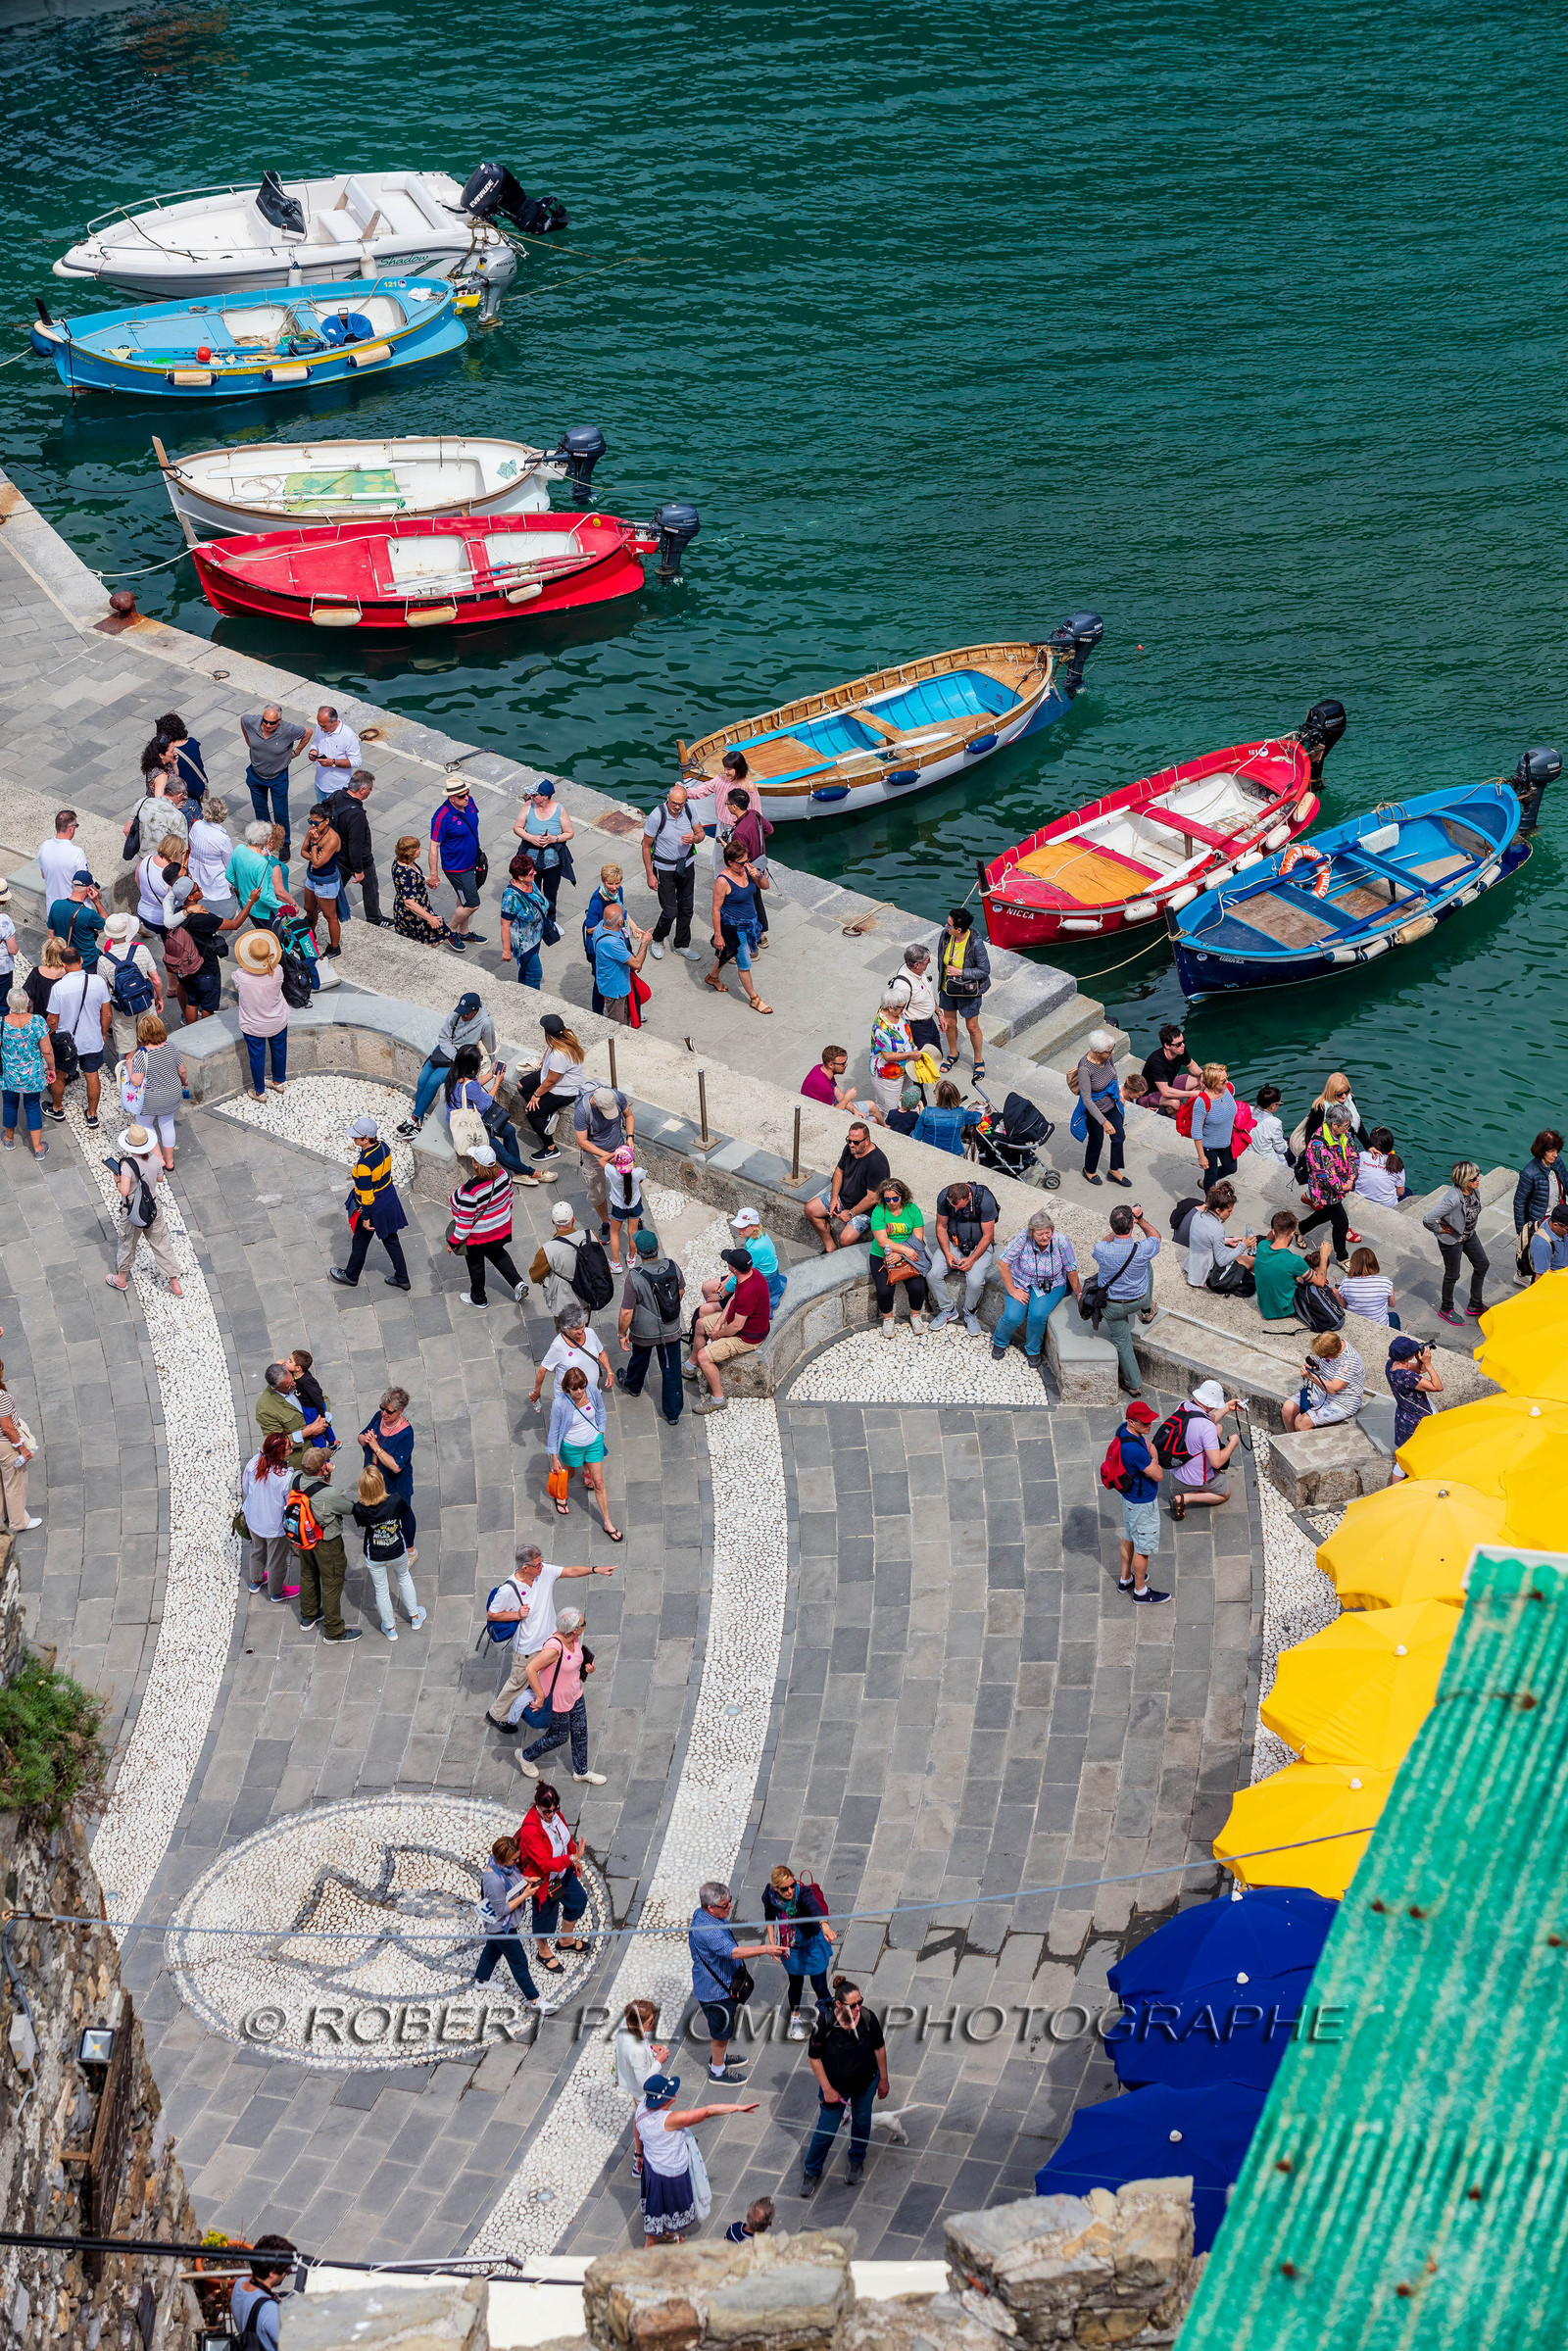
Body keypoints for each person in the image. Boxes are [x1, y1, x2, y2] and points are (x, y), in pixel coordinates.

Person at [484, 1544, 614, 1731]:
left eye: (541, 1562)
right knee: (517, 1682)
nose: (542, 1567)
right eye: (538, 1564)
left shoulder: (543, 1573)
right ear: (525, 1567)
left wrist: (595, 1570)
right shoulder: (508, 1589)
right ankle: (496, 1714)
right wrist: (516, 1615)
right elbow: (492, 1615)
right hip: (527, 1648)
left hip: (549, 1641)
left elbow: (571, 1571)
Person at [634, 2073, 760, 2248]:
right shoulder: (671, 2120)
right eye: (671, 2093)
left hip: (652, 2168)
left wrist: (639, 2154)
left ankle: (663, 2235)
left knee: (658, 2212)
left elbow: (636, 2127)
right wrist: (737, 2108)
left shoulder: (642, 2107)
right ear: (665, 2100)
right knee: (653, 2230)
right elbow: (707, 2112)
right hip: (669, 2176)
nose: (675, 2094)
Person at [801, 1977, 890, 2196]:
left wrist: (884, 2078)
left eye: (860, 2002)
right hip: (835, 2087)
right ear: (839, 2005)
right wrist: (828, 2089)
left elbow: (879, 2047)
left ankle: (857, 2159)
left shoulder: (868, 2017)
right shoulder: (825, 2023)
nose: (859, 2008)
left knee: (861, 2122)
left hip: (865, 2082)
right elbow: (814, 2058)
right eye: (853, 2005)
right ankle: (811, 2171)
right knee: (825, 2131)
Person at [689, 1879, 775, 2083]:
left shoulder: (704, 1914)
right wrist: (765, 1949)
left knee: (724, 2028)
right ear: (710, 1907)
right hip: (716, 1993)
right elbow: (734, 1953)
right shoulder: (708, 1932)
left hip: (722, 1984)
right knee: (720, 2033)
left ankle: (722, 2058)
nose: (730, 1907)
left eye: (730, 1902)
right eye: (725, 1905)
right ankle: (717, 2070)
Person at [518, 1606, 605, 1784]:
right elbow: (531, 1669)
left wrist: (587, 1668)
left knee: (581, 1733)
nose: (584, 1625)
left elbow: (571, 1665)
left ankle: (581, 1771)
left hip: (576, 1694)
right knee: (559, 1737)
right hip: (558, 1702)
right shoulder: (553, 1649)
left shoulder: (574, 1639)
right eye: (583, 1623)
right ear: (574, 1629)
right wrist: (540, 1697)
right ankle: (525, 1756)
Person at [687, 1247, 772, 1413]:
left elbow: (736, 1326)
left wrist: (717, 1335)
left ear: (733, 1268)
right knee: (700, 1324)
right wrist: (718, 1323)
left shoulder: (748, 1291)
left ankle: (718, 1399)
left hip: (747, 1337)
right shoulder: (751, 1273)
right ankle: (691, 1365)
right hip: (739, 1324)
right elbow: (733, 1299)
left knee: (704, 1357)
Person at [518, 1780, 592, 1971]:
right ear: (537, 1806)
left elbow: (565, 1837)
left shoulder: (556, 1815)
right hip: (544, 1880)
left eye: (555, 1810)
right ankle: (543, 1952)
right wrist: (572, 1857)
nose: (551, 1815)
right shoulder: (531, 1829)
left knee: (578, 1901)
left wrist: (573, 1859)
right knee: (545, 1919)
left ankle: (565, 1940)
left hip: (562, 1872)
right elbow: (543, 1863)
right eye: (547, 1812)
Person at [993, 1208, 1080, 1368]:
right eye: (1040, 1234)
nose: (1045, 1237)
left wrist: (1079, 1293)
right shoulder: (1023, 1238)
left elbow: (1071, 1269)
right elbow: (1002, 1262)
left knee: (1037, 1316)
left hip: (1052, 1284)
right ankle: (1000, 1340)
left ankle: (1033, 1349)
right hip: (1021, 1281)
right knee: (1012, 1316)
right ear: (1032, 1233)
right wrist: (1012, 1290)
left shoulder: (1061, 1241)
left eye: (1047, 1232)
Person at [399, 992, 497, 1135]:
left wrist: (494, 1065)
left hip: (461, 1059)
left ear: (475, 1010)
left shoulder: (485, 1023)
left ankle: (414, 1118)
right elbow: (443, 1036)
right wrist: (452, 1054)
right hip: (445, 1051)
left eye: (466, 1013)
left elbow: (490, 1045)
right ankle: (418, 1120)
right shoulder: (458, 1013)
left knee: (432, 1082)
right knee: (422, 1080)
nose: (462, 1016)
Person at [165, 875, 257, 1023]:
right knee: (207, 1006)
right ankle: (205, 1033)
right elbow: (234, 925)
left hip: (187, 966)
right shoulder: (202, 918)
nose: (200, 888)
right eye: (196, 889)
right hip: (206, 967)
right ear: (190, 897)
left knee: (192, 1001)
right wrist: (251, 901)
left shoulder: (178, 912)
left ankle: (191, 1030)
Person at [289, 1446, 360, 1641]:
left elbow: (313, 1494)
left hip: (303, 1539)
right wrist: (327, 1483)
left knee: (307, 1573)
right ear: (321, 1469)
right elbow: (348, 1508)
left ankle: (308, 1616)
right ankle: (334, 1631)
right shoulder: (330, 1494)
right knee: (331, 1583)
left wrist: (324, 1480)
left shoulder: (294, 1478)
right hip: (326, 1543)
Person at [332, 1118, 412, 1290]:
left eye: (357, 1137)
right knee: (391, 1239)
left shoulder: (364, 1165)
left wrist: (366, 1216)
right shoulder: (384, 1146)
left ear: (366, 1138)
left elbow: (367, 1196)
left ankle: (351, 1275)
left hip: (373, 1206)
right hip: (388, 1196)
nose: (353, 1140)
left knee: (360, 1241)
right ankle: (402, 1278)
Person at [1092, 1204, 1161, 1396]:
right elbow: (1156, 1237)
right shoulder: (1142, 1249)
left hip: (1112, 1306)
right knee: (1146, 1266)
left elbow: (1103, 1242)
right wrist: (1140, 1220)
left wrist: (1118, 1227)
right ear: (1132, 1226)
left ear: (1112, 1226)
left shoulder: (1101, 1249)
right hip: (1138, 1299)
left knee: (1123, 1343)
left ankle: (1134, 1385)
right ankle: (1147, 1311)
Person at [450, 1142, 529, 1309]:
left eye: (473, 1160)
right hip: (499, 1229)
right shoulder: (504, 1175)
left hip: (478, 1236)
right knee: (499, 1254)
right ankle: (517, 1283)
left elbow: (464, 1224)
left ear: (477, 1166)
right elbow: (509, 1198)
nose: (472, 1163)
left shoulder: (471, 1192)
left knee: (476, 1264)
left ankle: (479, 1298)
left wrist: (453, 1242)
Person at [619, 1229, 687, 1424]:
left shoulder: (634, 1277)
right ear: (657, 1247)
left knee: (640, 1358)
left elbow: (626, 1311)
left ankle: (633, 1385)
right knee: (671, 1368)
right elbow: (681, 1290)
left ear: (639, 1252)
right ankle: (673, 1413)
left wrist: (622, 1333)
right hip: (670, 1327)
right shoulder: (672, 1266)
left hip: (644, 1331)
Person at [762, 1864, 837, 2039]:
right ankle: (795, 2020)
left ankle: (829, 2018)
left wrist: (825, 1926)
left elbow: (815, 1908)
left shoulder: (802, 1893)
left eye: (792, 1885)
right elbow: (769, 1915)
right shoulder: (770, 1895)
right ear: (775, 1888)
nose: (790, 1891)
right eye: (784, 1888)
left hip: (812, 1942)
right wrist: (772, 1942)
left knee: (820, 1986)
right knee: (795, 1984)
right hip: (791, 1944)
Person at [475, 1835, 551, 2006]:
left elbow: (512, 1877)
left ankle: (481, 1980)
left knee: (492, 1950)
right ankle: (535, 2000)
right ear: (503, 1859)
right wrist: (525, 1895)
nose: (517, 1862)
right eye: (514, 1860)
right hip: (503, 1926)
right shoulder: (493, 1880)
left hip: (500, 1926)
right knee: (519, 1962)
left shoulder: (500, 1865)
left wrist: (525, 1880)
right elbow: (501, 1910)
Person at [44, 944, 113, 1132]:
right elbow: (107, 1014)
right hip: (92, 1039)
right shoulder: (98, 982)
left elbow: (52, 1020)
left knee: (58, 1075)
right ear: (81, 961)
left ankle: (57, 1108)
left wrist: (46, 1038)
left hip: (66, 1042)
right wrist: (102, 1034)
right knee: (92, 1076)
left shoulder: (59, 988)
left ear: (63, 964)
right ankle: (92, 1115)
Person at [548, 1364, 621, 1538]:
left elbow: (601, 1411)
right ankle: (560, 1494)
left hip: (593, 1443)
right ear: (567, 1388)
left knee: (599, 1483)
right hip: (571, 1447)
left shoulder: (592, 1391)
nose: (580, 1391)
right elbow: (554, 1431)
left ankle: (607, 1522)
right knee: (570, 1474)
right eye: (575, 1389)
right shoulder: (559, 1404)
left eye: (582, 1386)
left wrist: (601, 1432)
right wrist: (554, 1458)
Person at [352, 1466, 424, 1639]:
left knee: (381, 1589)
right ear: (381, 1483)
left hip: (374, 1552)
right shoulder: (396, 1500)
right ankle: (415, 1617)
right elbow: (405, 1512)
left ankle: (390, 1628)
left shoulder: (359, 1509)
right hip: (397, 1547)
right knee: (404, 1577)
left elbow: (361, 1523)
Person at [442, 1046, 533, 1181]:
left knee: (509, 1131)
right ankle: (531, 1172)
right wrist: (497, 1083)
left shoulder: (454, 1074)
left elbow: (474, 1085)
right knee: (500, 1151)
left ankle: (519, 1172)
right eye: (480, 1059)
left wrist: (492, 1073)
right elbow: (485, 1103)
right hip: (472, 1123)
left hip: (468, 1115)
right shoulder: (470, 1085)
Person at [1109, 1398, 1166, 1604]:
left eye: (1150, 1421)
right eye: (1144, 1423)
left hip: (1129, 1499)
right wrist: (1154, 1456)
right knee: (1143, 1550)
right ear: (1131, 1422)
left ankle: (1126, 1579)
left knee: (1129, 1536)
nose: (1149, 1425)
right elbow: (1158, 1475)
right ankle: (1141, 1591)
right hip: (1143, 1503)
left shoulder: (1122, 1430)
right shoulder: (1135, 1451)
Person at [805, 1120, 890, 1252]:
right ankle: (830, 1246)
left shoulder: (877, 1162)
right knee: (810, 1209)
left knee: (846, 1239)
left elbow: (872, 1198)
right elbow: (839, 1170)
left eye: (856, 1142)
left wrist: (851, 1213)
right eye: (849, 1140)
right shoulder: (850, 1149)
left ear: (867, 1141)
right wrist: (834, 1198)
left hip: (866, 1209)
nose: (851, 1145)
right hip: (844, 1197)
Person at [705, 845, 771, 1011]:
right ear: (730, 862)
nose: (745, 865)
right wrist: (718, 935)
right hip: (734, 927)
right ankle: (754, 998)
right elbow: (715, 909)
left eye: (746, 861)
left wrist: (758, 875)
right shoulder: (722, 881)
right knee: (744, 963)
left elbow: (765, 886)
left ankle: (713, 977)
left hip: (751, 923)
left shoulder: (748, 871)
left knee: (729, 951)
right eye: (741, 863)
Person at [642, 783, 705, 956]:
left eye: (681, 803)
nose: (677, 807)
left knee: (687, 908)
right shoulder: (657, 816)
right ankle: (658, 938)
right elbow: (646, 846)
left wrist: (694, 838)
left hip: (686, 865)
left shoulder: (689, 810)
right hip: (664, 869)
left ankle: (682, 944)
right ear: (668, 799)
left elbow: (700, 834)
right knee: (670, 911)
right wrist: (650, 874)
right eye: (674, 803)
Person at [1424, 1160, 1489, 1325]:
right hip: (1452, 1241)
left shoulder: (1474, 1191)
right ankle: (1446, 1308)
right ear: (1464, 1181)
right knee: (1453, 1275)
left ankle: (1475, 1304)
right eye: (1474, 1178)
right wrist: (1441, 1229)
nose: (1478, 1179)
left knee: (1482, 1264)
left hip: (1469, 1235)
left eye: (1477, 1175)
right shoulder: (1452, 1199)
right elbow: (1427, 1219)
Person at [931, 1177, 998, 1334]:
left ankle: (970, 1313)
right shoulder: (944, 1197)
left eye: (960, 1208)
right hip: (954, 1244)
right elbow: (941, 1226)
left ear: (968, 1197)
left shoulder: (985, 1200)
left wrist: (972, 1259)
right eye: (953, 1207)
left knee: (975, 1282)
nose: (956, 1211)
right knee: (933, 1275)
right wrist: (947, 1254)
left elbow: (988, 1235)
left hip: (979, 1246)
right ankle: (947, 1310)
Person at [121, 1013, 186, 1169]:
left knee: (145, 1125)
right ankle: (170, 1162)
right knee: (167, 1124)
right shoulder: (171, 1047)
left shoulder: (142, 1055)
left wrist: (130, 1067)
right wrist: (185, 1082)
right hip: (172, 1094)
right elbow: (182, 1070)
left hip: (151, 1099)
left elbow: (136, 1081)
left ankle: (159, 1159)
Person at [1298, 1102, 1362, 1264]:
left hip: (1342, 1184)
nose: (1347, 1129)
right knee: (1341, 1221)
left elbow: (1354, 1155)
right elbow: (1324, 1175)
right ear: (1334, 1125)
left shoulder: (1344, 1135)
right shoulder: (1318, 1145)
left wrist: (1350, 1178)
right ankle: (1342, 1257)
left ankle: (1300, 1228)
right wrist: (1343, 1186)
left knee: (1327, 1214)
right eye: (1345, 1126)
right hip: (1326, 1190)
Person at [1168, 1380, 1242, 1517]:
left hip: (1178, 1464)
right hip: (1193, 1476)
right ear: (1211, 1404)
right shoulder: (1206, 1427)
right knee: (1225, 1494)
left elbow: (1208, 1419)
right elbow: (1217, 1462)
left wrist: (1226, 1408)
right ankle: (1184, 1498)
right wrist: (1233, 1443)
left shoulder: (1184, 1406)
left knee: (1218, 1427)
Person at [240, 705, 311, 847]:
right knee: (260, 810)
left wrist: (296, 752)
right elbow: (242, 719)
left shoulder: (288, 730)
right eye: (265, 721)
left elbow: (308, 732)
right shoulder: (251, 721)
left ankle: (284, 843)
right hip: (256, 775)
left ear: (279, 721)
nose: (267, 725)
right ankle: (264, 839)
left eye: (272, 723)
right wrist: (249, 740)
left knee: (280, 813)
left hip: (278, 778)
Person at [522, 1012, 591, 1157]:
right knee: (522, 1085)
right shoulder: (567, 1036)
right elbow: (551, 1049)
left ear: (547, 1034)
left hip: (564, 1091)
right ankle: (547, 1113)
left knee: (531, 1112)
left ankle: (550, 1148)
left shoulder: (560, 1054)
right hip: (550, 1078)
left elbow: (551, 1081)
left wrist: (536, 1096)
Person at [868, 1175, 929, 1336]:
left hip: (909, 1253)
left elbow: (918, 1238)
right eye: (887, 1199)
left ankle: (915, 1315)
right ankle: (888, 1319)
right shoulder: (879, 1211)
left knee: (917, 1287)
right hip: (883, 1255)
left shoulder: (912, 1209)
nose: (891, 1202)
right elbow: (881, 1240)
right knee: (884, 1290)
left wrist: (902, 1255)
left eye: (895, 1198)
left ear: (903, 1196)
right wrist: (903, 1251)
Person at [428, 776, 487, 943]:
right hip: (458, 868)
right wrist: (434, 874)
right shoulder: (441, 817)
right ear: (451, 798)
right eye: (462, 796)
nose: (467, 798)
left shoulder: (470, 803)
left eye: (467, 793)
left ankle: (464, 932)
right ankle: (451, 930)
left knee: (464, 898)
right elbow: (434, 846)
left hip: (473, 861)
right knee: (472, 903)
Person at [320, 768, 381, 926]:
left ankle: (324, 909)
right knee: (371, 888)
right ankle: (375, 919)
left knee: (335, 886)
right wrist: (358, 870)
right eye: (369, 788)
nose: (370, 791)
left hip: (338, 855)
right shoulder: (356, 814)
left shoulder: (337, 795)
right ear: (362, 790)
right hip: (358, 860)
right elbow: (356, 844)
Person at [1, 987, 56, 1160]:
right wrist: (51, 1068)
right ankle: (38, 1148)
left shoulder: (2, 1023)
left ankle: (9, 1137)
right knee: (32, 1107)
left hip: (9, 1074)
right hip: (32, 1075)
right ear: (27, 1003)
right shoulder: (38, 1022)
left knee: (9, 1105)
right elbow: (47, 1051)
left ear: (9, 1003)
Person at [241, 1429, 296, 1600]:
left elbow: (246, 1488)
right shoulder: (285, 1477)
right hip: (274, 1525)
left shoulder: (255, 1462)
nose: (292, 1445)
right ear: (280, 1454)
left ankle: (255, 1581)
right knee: (276, 1560)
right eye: (288, 1446)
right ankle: (276, 1591)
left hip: (253, 1518)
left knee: (257, 1549)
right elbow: (289, 1504)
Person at [936, 906, 989, 1078]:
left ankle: (978, 1059)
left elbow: (984, 970)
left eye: (949, 925)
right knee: (950, 1024)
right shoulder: (946, 936)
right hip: (948, 989)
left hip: (968, 991)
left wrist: (960, 972)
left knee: (972, 1027)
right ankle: (953, 1053)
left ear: (958, 930)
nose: (946, 926)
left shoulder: (976, 944)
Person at [234, 929, 289, 1097]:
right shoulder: (278, 971)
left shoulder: (240, 976)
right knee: (279, 1050)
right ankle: (279, 1081)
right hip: (278, 1019)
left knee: (256, 1057)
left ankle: (259, 1091)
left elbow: (239, 979)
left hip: (253, 1024)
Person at [359, 1386, 416, 1537]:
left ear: (400, 1411)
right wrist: (365, 1439)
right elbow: (360, 1436)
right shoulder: (379, 1417)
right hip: (376, 1480)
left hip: (395, 1484)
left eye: (389, 1411)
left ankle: (410, 1549)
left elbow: (396, 1466)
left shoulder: (406, 1433)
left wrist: (375, 1447)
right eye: (382, 1408)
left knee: (404, 1513)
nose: (384, 1413)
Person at [574, 1085, 633, 1235]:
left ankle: (633, 1217)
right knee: (596, 1191)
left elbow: (629, 1116)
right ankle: (605, 1222)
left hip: (619, 1149)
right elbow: (582, 1141)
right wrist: (606, 1155)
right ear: (597, 1106)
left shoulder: (617, 1097)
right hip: (594, 1155)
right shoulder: (583, 1111)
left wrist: (630, 1137)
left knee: (628, 1185)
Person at [1253, 1210, 1333, 1322]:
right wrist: (1324, 1256)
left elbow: (1268, 1239)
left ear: (1273, 1230)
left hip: (1265, 1307)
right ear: (1292, 1234)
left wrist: (1278, 1222)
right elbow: (1320, 1282)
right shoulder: (1294, 1261)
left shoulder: (1262, 1246)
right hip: (1284, 1311)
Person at [514, 777, 574, 919]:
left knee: (551, 892)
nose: (532, 797)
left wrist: (553, 839)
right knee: (530, 889)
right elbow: (517, 827)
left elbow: (569, 833)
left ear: (545, 796)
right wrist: (531, 838)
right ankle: (533, 917)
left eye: (535, 795)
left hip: (552, 862)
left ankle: (551, 919)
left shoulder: (559, 810)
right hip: (530, 861)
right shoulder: (528, 806)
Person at [392, 832, 464, 952]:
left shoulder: (403, 863)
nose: (420, 849)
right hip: (413, 914)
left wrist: (427, 880)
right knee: (437, 934)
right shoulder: (406, 873)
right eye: (417, 848)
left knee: (425, 937)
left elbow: (416, 877)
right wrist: (430, 918)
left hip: (419, 907)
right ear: (410, 853)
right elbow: (409, 902)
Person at [1282, 1329, 1366, 1430]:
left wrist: (1311, 1377)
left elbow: (1333, 1389)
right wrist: (1311, 1366)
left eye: (1323, 1357)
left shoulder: (1349, 1361)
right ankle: (1292, 1441)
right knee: (1287, 1409)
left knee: (1301, 1422)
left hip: (1341, 1402)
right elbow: (1318, 1363)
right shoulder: (1329, 1346)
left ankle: (1305, 1444)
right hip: (1320, 1392)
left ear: (1333, 1354)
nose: (1320, 1358)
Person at [531, 1310, 613, 1408]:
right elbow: (542, 1369)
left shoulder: (590, 1333)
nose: (581, 1331)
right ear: (566, 1328)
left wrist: (609, 1372)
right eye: (576, 1329)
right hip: (569, 1399)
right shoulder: (558, 1346)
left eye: (582, 1326)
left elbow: (601, 1353)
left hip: (591, 1392)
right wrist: (536, 1392)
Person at [529, 1200, 596, 1321]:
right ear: (573, 1220)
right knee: (582, 1328)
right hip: (587, 1295)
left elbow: (535, 1275)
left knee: (564, 1333)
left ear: (553, 1222)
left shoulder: (547, 1249)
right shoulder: (591, 1236)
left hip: (563, 1301)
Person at [1075, 1030, 1126, 1186]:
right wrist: (1104, 1122)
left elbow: (1114, 1076)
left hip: (1111, 1103)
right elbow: (1087, 1099)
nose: (1113, 1052)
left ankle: (1114, 1170)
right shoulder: (1085, 1068)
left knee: (1119, 1136)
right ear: (1097, 1052)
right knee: (1096, 1140)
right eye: (1110, 1050)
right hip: (1094, 1109)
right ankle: (1089, 1170)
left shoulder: (1107, 1057)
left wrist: (1119, 1094)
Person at [229, 2233, 297, 2351]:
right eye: (287, 2271)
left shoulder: (240, 2283)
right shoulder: (269, 2310)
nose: (287, 2274)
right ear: (272, 2273)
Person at [1184, 1181, 1255, 1291]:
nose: (1231, 1214)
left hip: (1193, 1263)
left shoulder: (1198, 1215)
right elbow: (1221, 1261)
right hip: (1206, 1273)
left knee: (1234, 1250)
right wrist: (1244, 1245)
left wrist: (1227, 1242)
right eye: (1229, 1211)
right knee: (1251, 1261)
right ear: (1218, 1210)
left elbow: (1206, 1239)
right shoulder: (1217, 1229)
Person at [593, 902, 653, 1025]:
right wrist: (645, 942)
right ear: (620, 923)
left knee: (626, 1013)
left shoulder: (601, 926)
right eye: (623, 918)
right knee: (618, 1023)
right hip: (616, 989)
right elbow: (637, 964)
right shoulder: (612, 943)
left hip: (610, 982)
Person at [255, 1359, 329, 1458]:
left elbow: (322, 1398)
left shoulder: (297, 1378)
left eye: (293, 1380)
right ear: (275, 1388)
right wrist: (306, 1433)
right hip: (303, 1457)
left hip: (321, 1446)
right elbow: (276, 1443)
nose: (294, 1385)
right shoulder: (265, 1410)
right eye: (289, 1385)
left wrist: (323, 1418)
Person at [0, 1360, 40, 1534]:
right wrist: (22, 1448)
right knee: (15, 1482)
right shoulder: (3, 1398)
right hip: (5, 1445)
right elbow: (7, 1427)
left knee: (0, 1482)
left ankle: (3, 1514)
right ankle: (19, 1522)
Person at [299, 803, 344, 954]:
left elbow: (318, 864)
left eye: (316, 822)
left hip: (325, 882)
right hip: (312, 878)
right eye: (310, 821)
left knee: (329, 915)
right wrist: (314, 855)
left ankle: (335, 947)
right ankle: (310, 937)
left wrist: (314, 843)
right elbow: (302, 852)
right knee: (309, 909)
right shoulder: (313, 830)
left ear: (326, 821)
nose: (313, 825)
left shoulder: (332, 839)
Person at [502, 853, 552, 987]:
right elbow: (505, 924)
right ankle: (531, 1002)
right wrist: (506, 950)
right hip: (524, 942)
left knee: (526, 969)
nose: (535, 873)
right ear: (520, 877)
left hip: (536, 935)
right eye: (530, 873)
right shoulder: (511, 897)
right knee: (535, 973)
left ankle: (521, 989)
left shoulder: (531, 883)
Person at [867, 986, 918, 1116]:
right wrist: (910, 1054)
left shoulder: (896, 1014)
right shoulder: (881, 1028)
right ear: (890, 1007)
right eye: (901, 1007)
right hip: (888, 1074)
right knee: (890, 1110)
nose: (903, 1009)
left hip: (904, 1068)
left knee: (909, 1102)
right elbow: (888, 1056)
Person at [1387, 1334, 1443, 1450]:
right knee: (1416, 1449)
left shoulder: (1391, 1364)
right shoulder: (1407, 1377)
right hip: (1415, 1418)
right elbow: (1437, 1387)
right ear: (1409, 1356)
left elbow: (1418, 1370)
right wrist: (1428, 1364)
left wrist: (1419, 1360)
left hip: (1403, 1414)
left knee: (1406, 1448)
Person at [225, 821, 288, 923]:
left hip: (246, 905)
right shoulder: (262, 863)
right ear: (264, 839)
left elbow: (229, 875)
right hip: (264, 912)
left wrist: (243, 886)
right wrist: (283, 906)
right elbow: (264, 896)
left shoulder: (239, 849)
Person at [186, 795, 237, 918]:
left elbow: (191, 845)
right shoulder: (222, 838)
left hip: (196, 870)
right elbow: (229, 863)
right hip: (215, 876)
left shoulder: (196, 825)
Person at [616, 1998, 672, 2112]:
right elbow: (644, 2083)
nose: (654, 2023)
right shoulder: (637, 2050)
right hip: (643, 2095)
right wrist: (659, 2062)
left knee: (639, 2116)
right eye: (650, 2022)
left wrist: (651, 2048)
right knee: (646, 2118)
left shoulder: (626, 2024)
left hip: (630, 2080)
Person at [123, 766, 189, 861]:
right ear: (179, 796)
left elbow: (126, 830)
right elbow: (182, 850)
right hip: (162, 864)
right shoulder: (177, 817)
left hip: (142, 861)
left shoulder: (143, 802)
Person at [46, 869, 106, 974]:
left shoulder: (56, 905)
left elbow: (51, 935)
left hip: (64, 961)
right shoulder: (88, 914)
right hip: (87, 962)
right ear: (89, 888)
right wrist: (97, 902)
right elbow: (107, 924)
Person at [1190, 1063, 1240, 1186]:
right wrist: (1201, 1156)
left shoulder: (1228, 1089)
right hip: (1209, 1146)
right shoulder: (1202, 1102)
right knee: (1211, 1175)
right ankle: (1209, 1202)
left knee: (1231, 1168)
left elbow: (1228, 1109)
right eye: (1223, 1081)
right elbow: (1196, 1132)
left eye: (1226, 1078)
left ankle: (1205, 1182)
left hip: (1226, 1142)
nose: (1227, 1082)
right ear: (1212, 1083)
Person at [1138, 1022, 1201, 1114]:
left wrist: (1202, 1074)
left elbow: (1191, 1065)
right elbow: (1165, 1092)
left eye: (1183, 1041)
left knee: (1201, 1080)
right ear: (1167, 1045)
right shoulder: (1156, 1061)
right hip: (1149, 1095)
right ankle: (1166, 1112)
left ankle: (1190, 1109)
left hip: (1169, 1085)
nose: (1183, 1045)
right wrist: (1192, 1093)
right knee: (1175, 1103)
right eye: (1178, 1044)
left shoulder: (1180, 1051)